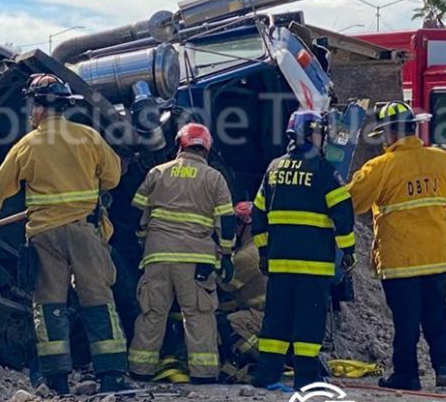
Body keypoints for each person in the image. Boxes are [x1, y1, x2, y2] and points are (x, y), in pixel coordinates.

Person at [0, 73, 127, 395]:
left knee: (49, 305)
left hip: (45, 236)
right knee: (97, 299)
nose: (31, 113)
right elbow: (112, 177)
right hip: (86, 232)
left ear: (40, 108)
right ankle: (111, 375)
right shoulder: (88, 137)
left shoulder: (27, 145)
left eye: (32, 106)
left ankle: (57, 378)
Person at [347, 100, 446, 391]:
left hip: (400, 261)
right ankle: (444, 369)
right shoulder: (441, 159)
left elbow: (354, 202)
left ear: (391, 133)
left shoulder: (380, 167)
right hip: (436, 258)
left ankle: (407, 375)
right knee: (436, 317)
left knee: (406, 323)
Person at [250, 110, 354, 391]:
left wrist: (263, 252)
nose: (322, 139)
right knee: (308, 323)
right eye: (319, 133)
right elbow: (343, 216)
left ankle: (267, 375)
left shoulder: (273, 169)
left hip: (280, 265)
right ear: (308, 135)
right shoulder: (324, 171)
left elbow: (257, 216)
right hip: (314, 266)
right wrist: (349, 252)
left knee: (276, 322)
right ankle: (306, 379)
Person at [127, 123, 235, 383]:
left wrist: (144, 240)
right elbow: (227, 221)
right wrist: (227, 255)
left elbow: (135, 212)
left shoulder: (157, 172)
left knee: (152, 312)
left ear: (179, 145)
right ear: (206, 149)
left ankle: (140, 370)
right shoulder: (214, 178)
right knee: (198, 315)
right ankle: (204, 373)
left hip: (158, 256)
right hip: (197, 261)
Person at [216, 202, 267, 383]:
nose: (234, 228)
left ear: (248, 225)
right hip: (265, 312)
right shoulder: (258, 247)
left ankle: (261, 357)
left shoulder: (249, 254)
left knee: (226, 324)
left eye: (237, 223)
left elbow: (225, 284)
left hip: (261, 316)